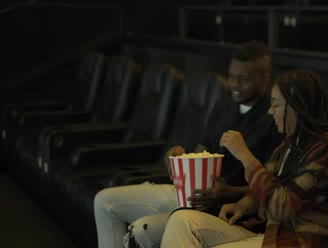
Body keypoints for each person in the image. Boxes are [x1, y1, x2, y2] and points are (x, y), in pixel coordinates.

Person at [93, 40, 283, 248]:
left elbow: (271, 185)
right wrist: (178, 161)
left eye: (243, 79)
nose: (234, 84)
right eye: (231, 77)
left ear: (265, 79)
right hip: (194, 194)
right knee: (105, 201)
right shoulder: (224, 104)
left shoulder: (274, 117)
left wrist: (230, 192)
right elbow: (200, 153)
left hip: (227, 207)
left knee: (141, 230)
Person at [160, 69, 328, 248]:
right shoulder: (287, 145)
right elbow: (269, 187)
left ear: (297, 108)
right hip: (269, 234)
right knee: (182, 220)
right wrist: (243, 206)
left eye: (275, 105)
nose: (270, 111)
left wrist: (245, 156)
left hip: (297, 241)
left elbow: (282, 206)